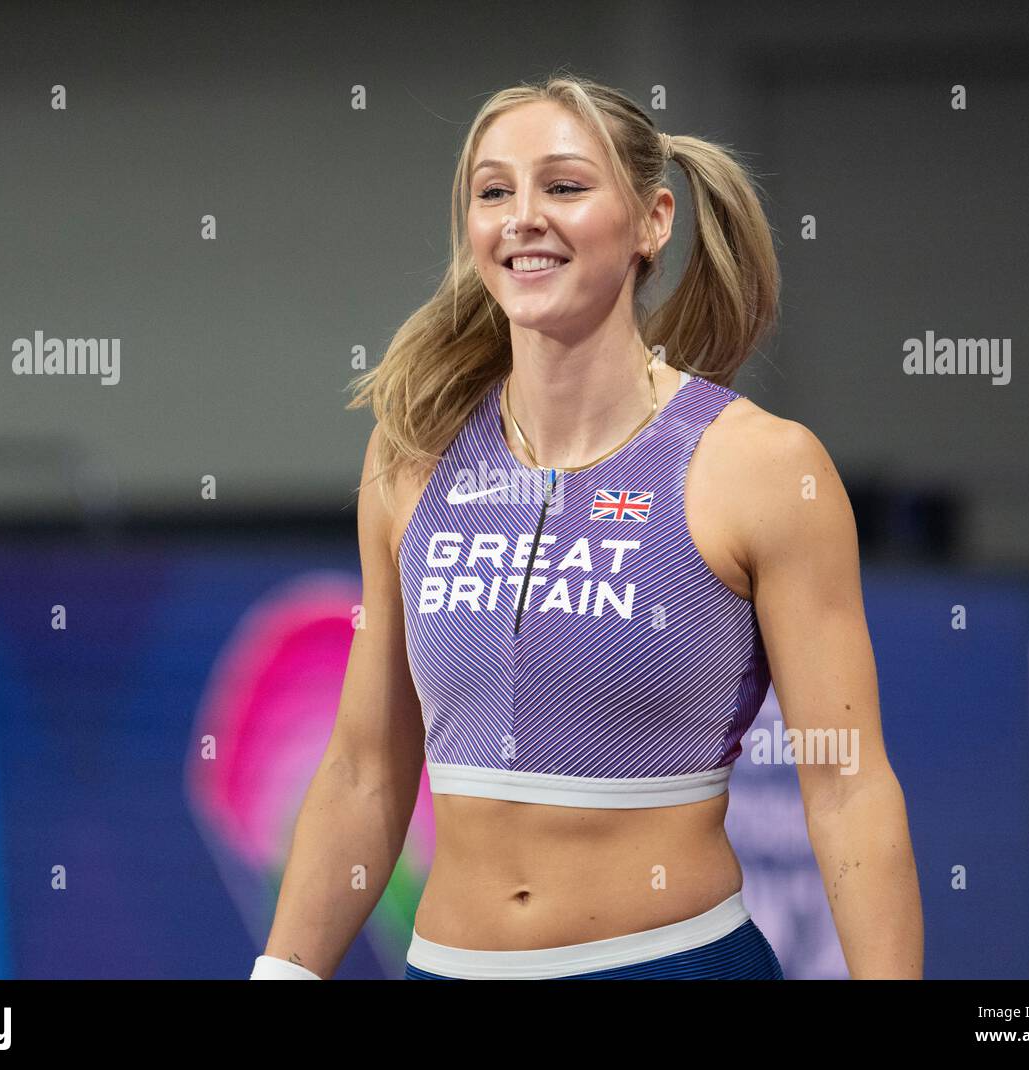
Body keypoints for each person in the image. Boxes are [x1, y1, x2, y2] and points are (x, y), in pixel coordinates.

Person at [251, 73, 923, 980]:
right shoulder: (408, 458)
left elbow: (848, 788)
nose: (523, 216)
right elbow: (366, 773)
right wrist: (282, 974)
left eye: (564, 186)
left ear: (653, 221)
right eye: (494, 192)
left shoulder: (762, 468)